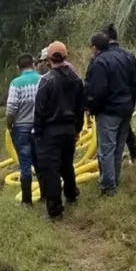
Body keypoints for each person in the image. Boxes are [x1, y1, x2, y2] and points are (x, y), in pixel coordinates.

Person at [34, 41, 85, 220]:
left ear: (48, 59)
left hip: (50, 131)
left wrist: (38, 133)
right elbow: (81, 108)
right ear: (66, 56)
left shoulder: (46, 81)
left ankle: (55, 210)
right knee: (67, 164)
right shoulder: (77, 79)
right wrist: (77, 129)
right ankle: (72, 195)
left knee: (51, 170)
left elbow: (39, 110)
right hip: (70, 130)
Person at [85, 33, 136, 196]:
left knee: (106, 149)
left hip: (109, 111)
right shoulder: (127, 56)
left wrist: (90, 108)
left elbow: (98, 91)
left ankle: (108, 186)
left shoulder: (99, 62)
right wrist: (131, 104)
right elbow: (135, 83)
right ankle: (115, 180)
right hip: (126, 108)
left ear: (95, 48)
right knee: (118, 147)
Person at [6, 53, 43, 206]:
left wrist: (9, 125)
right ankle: (45, 195)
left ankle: (26, 201)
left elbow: (11, 108)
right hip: (41, 128)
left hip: (21, 129)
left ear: (18, 67)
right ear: (34, 65)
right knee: (40, 162)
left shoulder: (16, 83)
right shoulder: (43, 79)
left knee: (25, 164)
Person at [101, 23, 136, 163]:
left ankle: (113, 166)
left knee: (110, 135)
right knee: (126, 126)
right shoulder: (129, 55)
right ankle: (134, 154)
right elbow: (135, 81)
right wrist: (132, 101)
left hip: (110, 103)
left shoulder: (102, 57)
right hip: (127, 99)